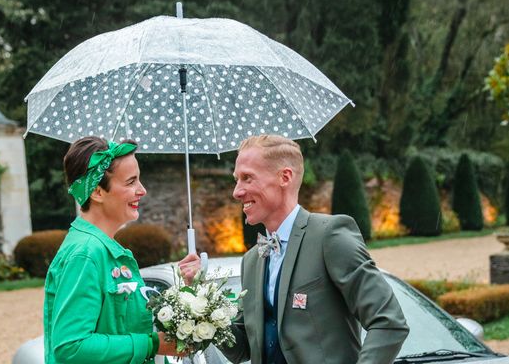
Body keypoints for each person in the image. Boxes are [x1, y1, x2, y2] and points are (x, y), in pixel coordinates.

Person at [182, 134, 409, 364]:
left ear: (285, 177)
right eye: (236, 179)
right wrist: (203, 296)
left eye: (247, 178)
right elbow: (241, 350)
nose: (236, 192)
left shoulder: (329, 236)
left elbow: (388, 321)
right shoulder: (251, 260)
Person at [44, 136, 190, 363]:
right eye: (131, 182)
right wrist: (152, 344)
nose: (142, 190)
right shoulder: (85, 254)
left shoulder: (102, 249)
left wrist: (189, 289)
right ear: (97, 192)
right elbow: (71, 347)